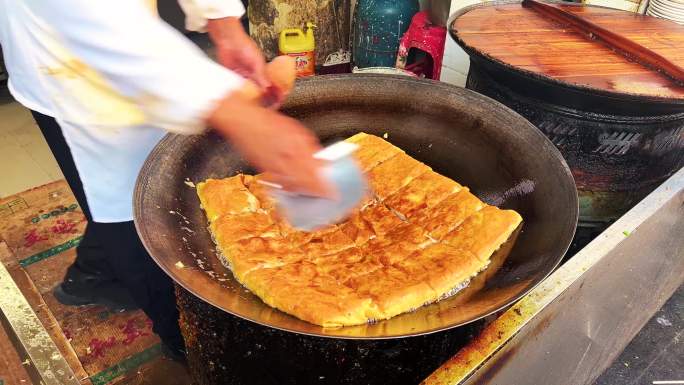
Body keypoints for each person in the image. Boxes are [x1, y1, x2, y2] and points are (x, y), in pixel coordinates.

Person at [0, 0, 331, 359]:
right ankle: (184, 343)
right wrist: (236, 113)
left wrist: (222, 21)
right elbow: (87, 13)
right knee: (136, 207)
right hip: (70, 61)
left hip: (130, 35)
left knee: (147, 182)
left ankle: (92, 273)